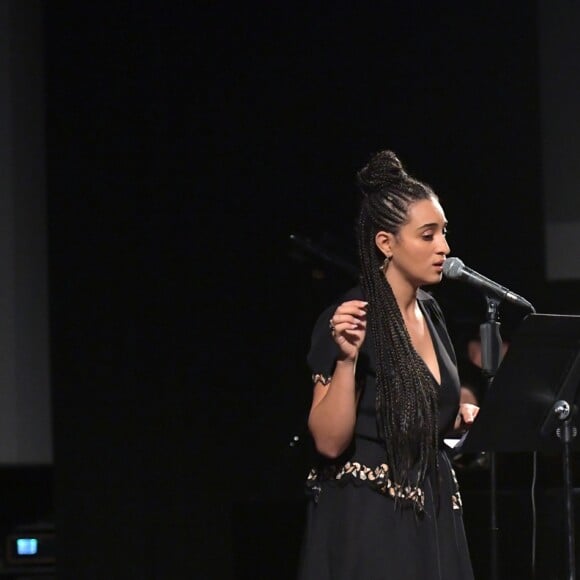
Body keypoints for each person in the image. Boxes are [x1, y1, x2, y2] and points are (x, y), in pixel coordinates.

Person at [297, 150, 478, 579]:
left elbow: (419, 411)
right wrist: (345, 360)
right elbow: (328, 442)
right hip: (372, 520)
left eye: (444, 233)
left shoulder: (431, 312)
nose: (445, 248)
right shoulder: (350, 317)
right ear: (386, 243)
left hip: (431, 513)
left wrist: (455, 420)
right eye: (428, 235)